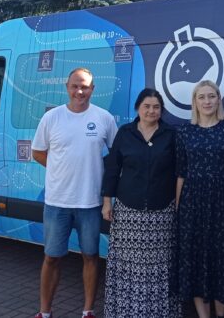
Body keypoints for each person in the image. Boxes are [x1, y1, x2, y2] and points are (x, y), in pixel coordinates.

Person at [31, 67, 118, 318]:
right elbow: (37, 152)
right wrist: (60, 168)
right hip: (57, 203)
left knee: (90, 256)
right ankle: (45, 312)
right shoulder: (52, 118)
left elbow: (116, 156)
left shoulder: (104, 118)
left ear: (93, 89)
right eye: (75, 86)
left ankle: (87, 310)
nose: (80, 91)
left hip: (90, 203)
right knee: (51, 258)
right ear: (67, 87)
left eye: (85, 87)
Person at [101, 88, 181, 318]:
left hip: (162, 212)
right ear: (138, 108)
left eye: (156, 107)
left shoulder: (171, 134)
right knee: (128, 266)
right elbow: (113, 169)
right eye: (147, 106)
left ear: (161, 110)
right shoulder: (125, 133)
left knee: (159, 267)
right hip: (128, 211)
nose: (151, 111)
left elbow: (179, 172)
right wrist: (107, 202)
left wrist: (178, 204)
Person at [175, 80, 224, 318]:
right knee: (194, 260)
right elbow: (181, 173)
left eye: (211, 96)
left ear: (218, 99)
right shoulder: (185, 131)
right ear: (195, 101)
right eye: (201, 97)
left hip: (222, 204)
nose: (207, 101)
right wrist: (179, 208)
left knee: (221, 259)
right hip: (192, 204)